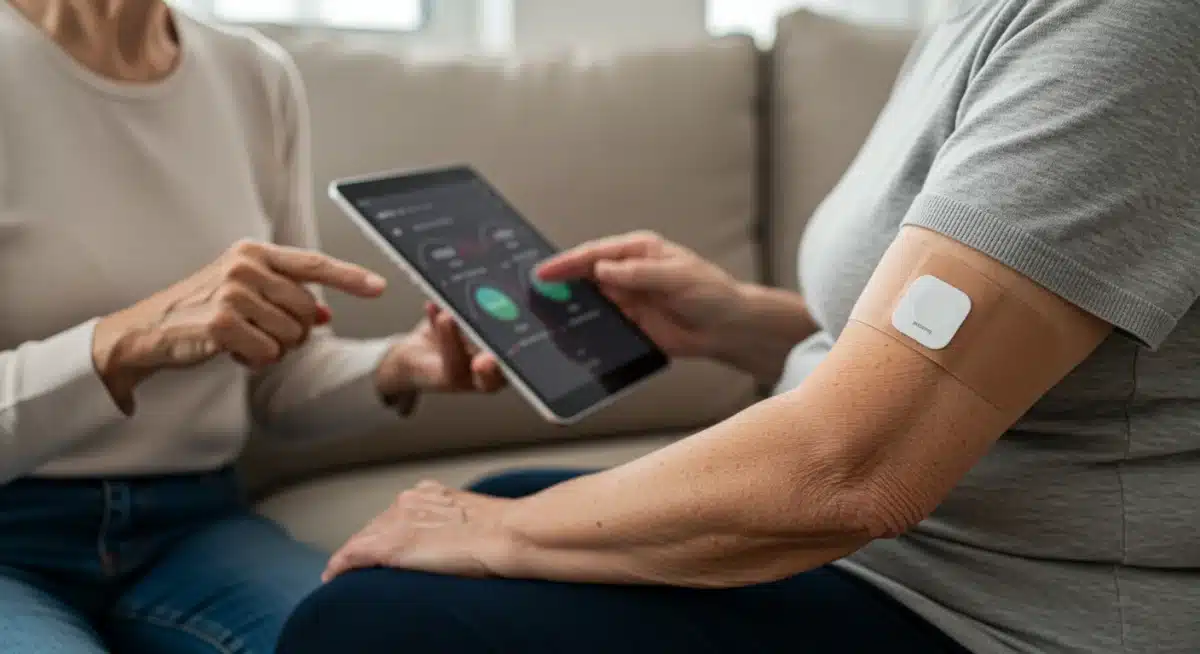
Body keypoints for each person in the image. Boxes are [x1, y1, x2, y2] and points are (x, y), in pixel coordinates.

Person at [277, 1, 1200, 653]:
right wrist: (740, 324)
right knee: (497, 499)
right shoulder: (980, 17)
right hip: (907, 563)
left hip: (1006, 613)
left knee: (370, 622)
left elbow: (854, 470)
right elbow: (992, 355)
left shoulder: (1125, 26)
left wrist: (499, 535)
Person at [0, 1, 507, 653]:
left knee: (378, 640)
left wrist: (399, 365)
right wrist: (127, 342)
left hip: (192, 524)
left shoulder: (253, 73)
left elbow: (281, 383)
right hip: (11, 525)